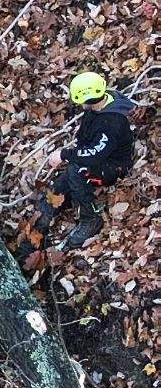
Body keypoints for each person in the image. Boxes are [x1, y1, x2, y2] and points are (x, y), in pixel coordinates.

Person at [34, 69, 138, 259]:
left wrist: (65, 154)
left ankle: (90, 219)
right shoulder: (97, 109)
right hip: (98, 157)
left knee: (78, 169)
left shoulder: (111, 122)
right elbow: (86, 142)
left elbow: (95, 154)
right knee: (68, 176)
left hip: (113, 165)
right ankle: (50, 206)